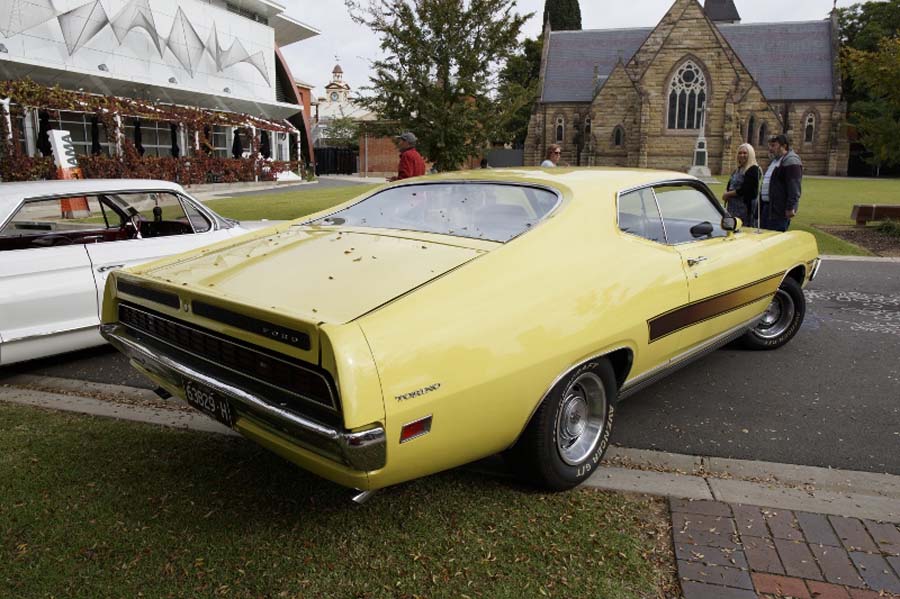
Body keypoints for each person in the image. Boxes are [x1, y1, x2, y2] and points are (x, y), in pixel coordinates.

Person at [760, 134, 803, 232]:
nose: (770, 149)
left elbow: (794, 186)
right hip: (768, 208)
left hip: (779, 210)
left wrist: (790, 207)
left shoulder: (791, 161)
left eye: (773, 145)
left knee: (774, 238)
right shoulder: (775, 161)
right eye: (770, 146)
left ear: (784, 146)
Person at [721, 143, 761, 224]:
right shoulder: (738, 169)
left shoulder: (753, 169)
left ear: (751, 154)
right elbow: (730, 184)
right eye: (740, 153)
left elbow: (747, 190)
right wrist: (726, 191)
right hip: (733, 207)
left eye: (745, 153)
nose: (742, 155)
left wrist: (728, 194)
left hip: (745, 208)